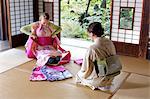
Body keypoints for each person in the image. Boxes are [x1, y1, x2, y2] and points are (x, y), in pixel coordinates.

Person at [76, 22, 117, 91]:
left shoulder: (92, 48)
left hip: (100, 78)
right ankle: (105, 83)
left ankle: (98, 84)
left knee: (79, 75)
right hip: (111, 75)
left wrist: (82, 74)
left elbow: (85, 68)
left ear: (92, 33)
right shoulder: (109, 42)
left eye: (89, 33)